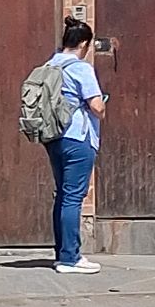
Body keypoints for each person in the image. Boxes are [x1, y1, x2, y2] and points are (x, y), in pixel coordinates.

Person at [45, 16, 106, 275]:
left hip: (53, 136)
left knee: (62, 195)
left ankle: (62, 253)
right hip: (78, 137)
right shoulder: (81, 68)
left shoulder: (51, 64)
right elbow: (96, 106)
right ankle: (71, 259)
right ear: (83, 44)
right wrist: (102, 106)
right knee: (73, 197)